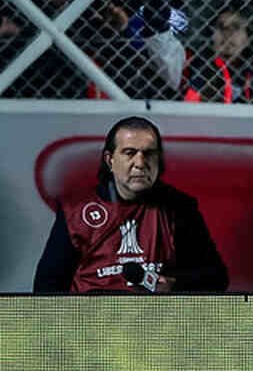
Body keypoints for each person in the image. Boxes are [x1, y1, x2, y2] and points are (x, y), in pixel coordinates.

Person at [33, 117, 228, 293]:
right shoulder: (76, 211)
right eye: (129, 153)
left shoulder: (178, 208)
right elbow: (46, 286)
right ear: (110, 160)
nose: (140, 163)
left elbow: (216, 278)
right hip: (91, 323)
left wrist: (174, 286)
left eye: (149, 154)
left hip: (156, 322)